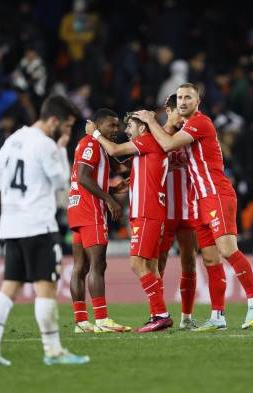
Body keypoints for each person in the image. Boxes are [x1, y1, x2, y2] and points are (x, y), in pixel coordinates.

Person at [132, 83, 253, 331]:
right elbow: (166, 159)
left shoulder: (200, 123)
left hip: (216, 194)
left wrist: (151, 121)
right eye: (180, 97)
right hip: (200, 201)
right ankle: (217, 316)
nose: (182, 102)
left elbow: (168, 145)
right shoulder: (186, 130)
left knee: (227, 250)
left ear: (197, 102)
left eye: (187, 98)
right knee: (210, 259)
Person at [0, 95, 89, 366]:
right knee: (46, 289)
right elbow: (61, 181)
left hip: (13, 224)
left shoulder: (17, 137)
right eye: (65, 127)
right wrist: (62, 149)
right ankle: (53, 351)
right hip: (39, 225)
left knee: (9, 288)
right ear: (53, 120)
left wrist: (16, 195)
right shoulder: (45, 145)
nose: (66, 132)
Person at [85, 111, 172, 333]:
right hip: (153, 211)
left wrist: (94, 133)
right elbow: (149, 170)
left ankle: (161, 314)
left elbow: (113, 150)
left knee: (136, 264)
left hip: (147, 212)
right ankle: (156, 314)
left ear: (143, 128)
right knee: (151, 266)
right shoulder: (150, 146)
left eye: (130, 125)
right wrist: (131, 181)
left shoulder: (147, 140)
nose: (126, 130)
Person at [68, 108, 131, 334]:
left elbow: (91, 175)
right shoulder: (92, 144)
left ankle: (81, 322)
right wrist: (109, 200)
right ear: (97, 125)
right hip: (90, 209)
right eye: (111, 126)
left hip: (78, 208)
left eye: (118, 126)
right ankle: (102, 319)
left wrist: (112, 189)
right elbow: (83, 176)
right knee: (97, 265)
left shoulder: (96, 145)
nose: (116, 130)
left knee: (81, 266)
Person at [156, 94, 204, 330]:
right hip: (163, 211)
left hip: (188, 210)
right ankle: (157, 313)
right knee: (160, 263)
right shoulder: (155, 136)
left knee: (189, 262)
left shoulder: (190, 136)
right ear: (168, 109)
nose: (181, 117)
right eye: (177, 111)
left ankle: (186, 317)